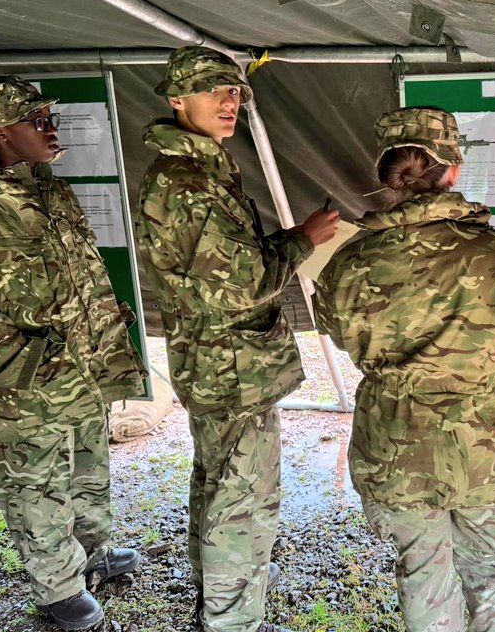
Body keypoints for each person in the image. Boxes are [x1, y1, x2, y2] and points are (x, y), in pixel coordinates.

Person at [314, 107, 495, 632]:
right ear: (453, 170)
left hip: (394, 451)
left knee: (422, 577)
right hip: (485, 451)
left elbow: (334, 328)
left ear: (388, 177)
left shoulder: (348, 263)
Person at [135, 46, 340, 632]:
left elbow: (223, 266)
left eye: (236, 92)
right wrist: (302, 240)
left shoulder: (198, 169)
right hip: (231, 369)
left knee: (218, 481)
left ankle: (217, 602)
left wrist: (289, 239)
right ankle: (231, 619)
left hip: (216, 361)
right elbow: (242, 284)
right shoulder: (189, 182)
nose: (230, 102)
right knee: (241, 498)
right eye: (214, 90)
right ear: (178, 99)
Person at [0, 75, 147, 630]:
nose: (51, 128)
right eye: (36, 120)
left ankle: (89, 555)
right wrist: (25, 362)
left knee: (89, 465)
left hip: (83, 366)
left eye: (51, 117)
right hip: (23, 382)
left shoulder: (51, 189)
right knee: (34, 481)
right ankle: (58, 587)